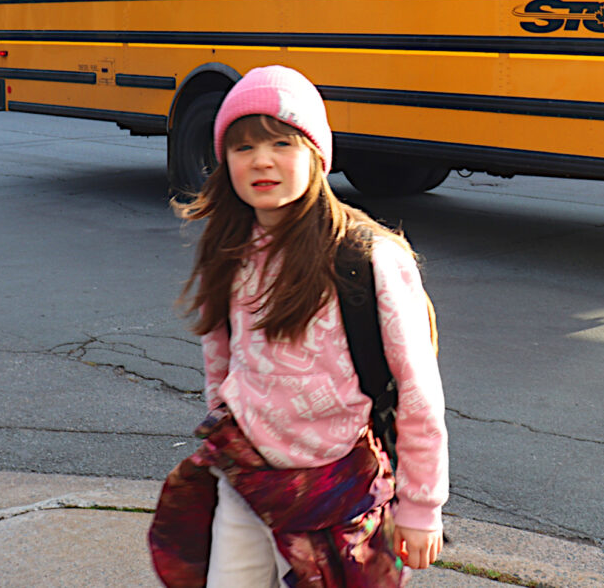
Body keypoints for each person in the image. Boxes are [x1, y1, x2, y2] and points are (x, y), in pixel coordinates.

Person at [149, 66, 448, 586]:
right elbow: (221, 356)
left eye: (282, 143)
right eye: (243, 147)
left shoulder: (366, 258)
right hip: (246, 482)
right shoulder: (231, 251)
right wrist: (224, 423)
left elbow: (417, 392)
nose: (261, 160)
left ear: (316, 154)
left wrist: (421, 507)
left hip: (336, 493)